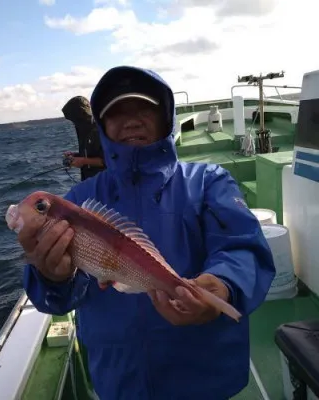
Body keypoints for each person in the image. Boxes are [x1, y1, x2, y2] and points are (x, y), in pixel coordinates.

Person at [20, 66, 276, 400]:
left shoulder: (208, 181)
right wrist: (53, 277)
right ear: (103, 128)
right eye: (116, 113)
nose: (131, 120)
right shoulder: (78, 202)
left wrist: (222, 286)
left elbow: (243, 247)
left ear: (166, 118)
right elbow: (56, 299)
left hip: (204, 377)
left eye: (143, 108)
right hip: (119, 379)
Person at [61, 95, 105, 181]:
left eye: (74, 120)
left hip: (104, 183)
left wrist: (83, 161)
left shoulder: (100, 130)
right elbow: (92, 154)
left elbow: (109, 160)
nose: (74, 123)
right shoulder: (83, 130)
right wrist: (75, 156)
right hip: (89, 182)